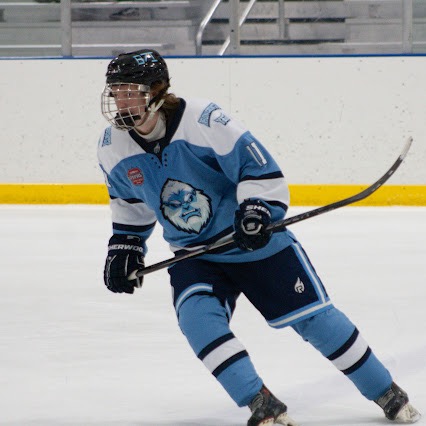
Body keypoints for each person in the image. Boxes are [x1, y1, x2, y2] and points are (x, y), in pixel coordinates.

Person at [98, 49, 421, 426]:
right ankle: (259, 401)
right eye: (115, 92)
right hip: (196, 254)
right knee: (197, 320)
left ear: (156, 90)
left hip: (254, 243)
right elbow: (129, 205)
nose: (120, 102)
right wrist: (125, 245)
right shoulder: (111, 146)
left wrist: (255, 211)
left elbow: (258, 170)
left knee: (314, 321)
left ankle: (384, 389)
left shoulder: (203, 120)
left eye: (129, 92)